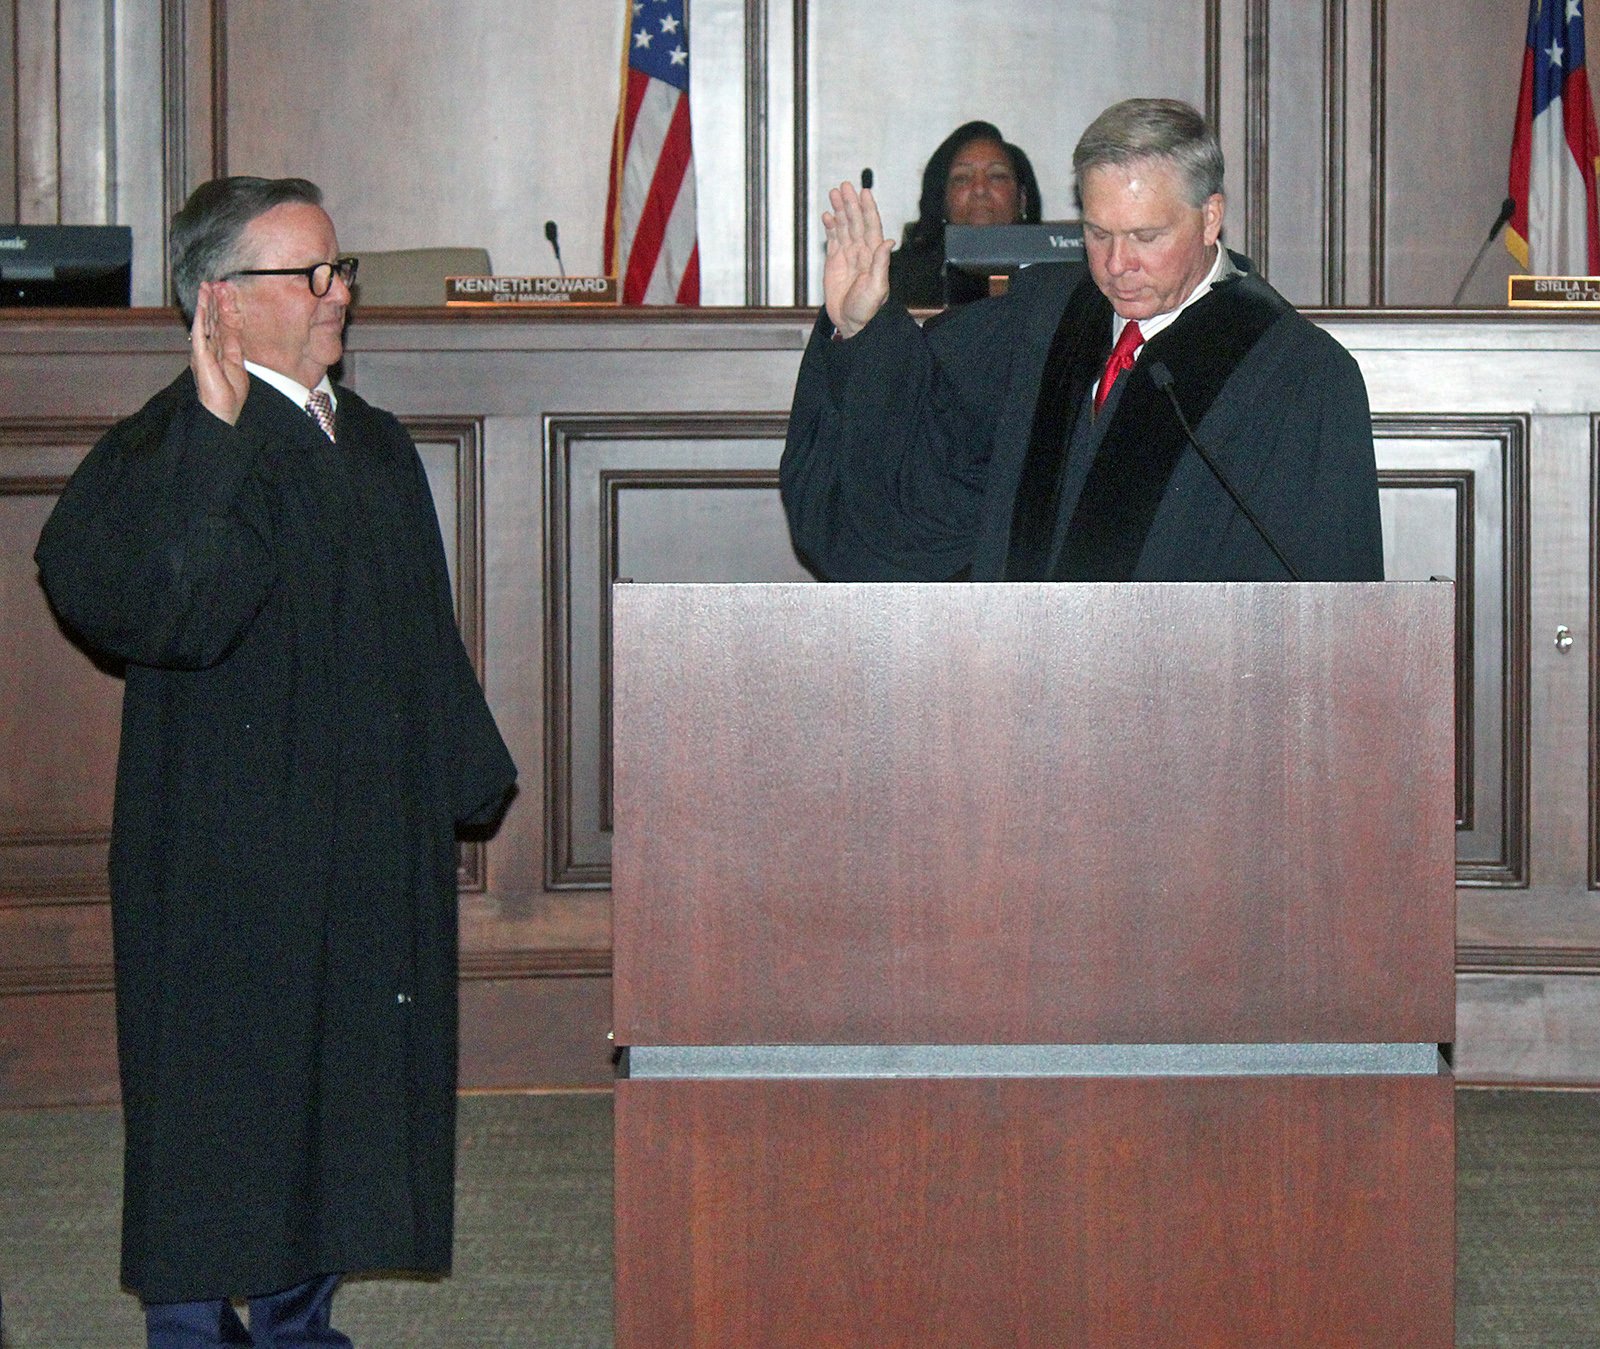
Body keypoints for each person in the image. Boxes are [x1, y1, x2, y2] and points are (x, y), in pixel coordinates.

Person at [34, 177, 517, 1347]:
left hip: (360, 834)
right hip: (224, 846)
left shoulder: (373, 441)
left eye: (338, 267)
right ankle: (195, 1326)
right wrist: (214, 441)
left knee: (339, 1088)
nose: (337, 291)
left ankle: (303, 1317)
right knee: (218, 1099)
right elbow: (167, 613)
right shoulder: (162, 446)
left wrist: (457, 774)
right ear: (219, 299)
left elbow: (421, 630)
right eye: (308, 273)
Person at [782, 98, 1383, 583]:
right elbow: (926, 439)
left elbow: (1323, 601)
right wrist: (863, 326)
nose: (1118, 264)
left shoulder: (1295, 374)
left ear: (1209, 217)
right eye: (1098, 233)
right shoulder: (1048, 316)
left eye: (1145, 236)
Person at [887, 119, 1044, 307]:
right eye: (962, 178)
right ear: (942, 199)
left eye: (996, 176)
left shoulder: (1056, 274)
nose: (980, 189)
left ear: (1023, 198)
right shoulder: (894, 278)